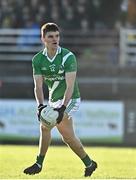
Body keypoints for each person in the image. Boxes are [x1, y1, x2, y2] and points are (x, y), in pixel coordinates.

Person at [23, 22, 97, 177]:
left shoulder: (68, 57)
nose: (55, 39)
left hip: (71, 100)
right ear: (43, 38)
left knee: (48, 127)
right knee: (68, 138)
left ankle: (39, 163)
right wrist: (40, 106)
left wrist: (63, 108)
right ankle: (90, 164)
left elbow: (70, 86)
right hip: (54, 100)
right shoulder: (37, 60)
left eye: (57, 36)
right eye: (50, 36)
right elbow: (38, 86)